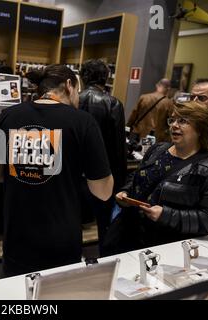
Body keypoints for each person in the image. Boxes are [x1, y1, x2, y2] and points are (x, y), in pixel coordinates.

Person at [0, 64, 114, 277]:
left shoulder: (8, 115)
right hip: (61, 238)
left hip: (17, 236)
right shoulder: (83, 122)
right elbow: (103, 191)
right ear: (69, 85)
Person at [111, 101, 208, 253]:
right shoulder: (158, 149)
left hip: (166, 246)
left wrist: (166, 215)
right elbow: (139, 175)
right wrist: (126, 192)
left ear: (201, 128)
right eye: (172, 119)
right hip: (129, 233)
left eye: (183, 121)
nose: (174, 125)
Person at [78, 59, 127, 254]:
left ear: (83, 77)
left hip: (74, 172)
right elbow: (118, 147)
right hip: (102, 173)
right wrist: (121, 183)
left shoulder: (74, 100)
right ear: (106, 78)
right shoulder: (113, 103)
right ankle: (106, 258)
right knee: (104, 223)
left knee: (74, 219)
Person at [127, 79, 174, 143]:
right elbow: (171, 121)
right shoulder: (169, 103)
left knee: (135, 151)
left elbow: (134, 115)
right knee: (147, 151)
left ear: (157, 85)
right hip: (154, 136)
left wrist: (128, 127)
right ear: (168, 89)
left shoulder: (144, 97)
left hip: (139, 132)